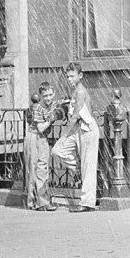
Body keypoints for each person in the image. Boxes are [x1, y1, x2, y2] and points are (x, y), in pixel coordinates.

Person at [51, 62, 99, 212]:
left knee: (89, 166)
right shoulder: (74, 92)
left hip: (87, 129)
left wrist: (63, 136)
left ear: (80, 76)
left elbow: (76, 115)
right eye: (67, 76)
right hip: (77, 129)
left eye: (72, 76)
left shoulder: (80, 92)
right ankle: (76, 169)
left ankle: (87, 203)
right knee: (57, 151)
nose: (69, 79)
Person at [25, 82, 61, 211]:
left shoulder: (49, 105)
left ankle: (40, 202)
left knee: (41, 169)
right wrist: (51, 119)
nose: (48, 98)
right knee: (36, 169)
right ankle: (37, 202)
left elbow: (56, 108)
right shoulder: (38, 108)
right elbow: (40, 128)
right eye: (45, 95)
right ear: (40, 96)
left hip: (41, 139)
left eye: (50, 95)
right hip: (35, 137)